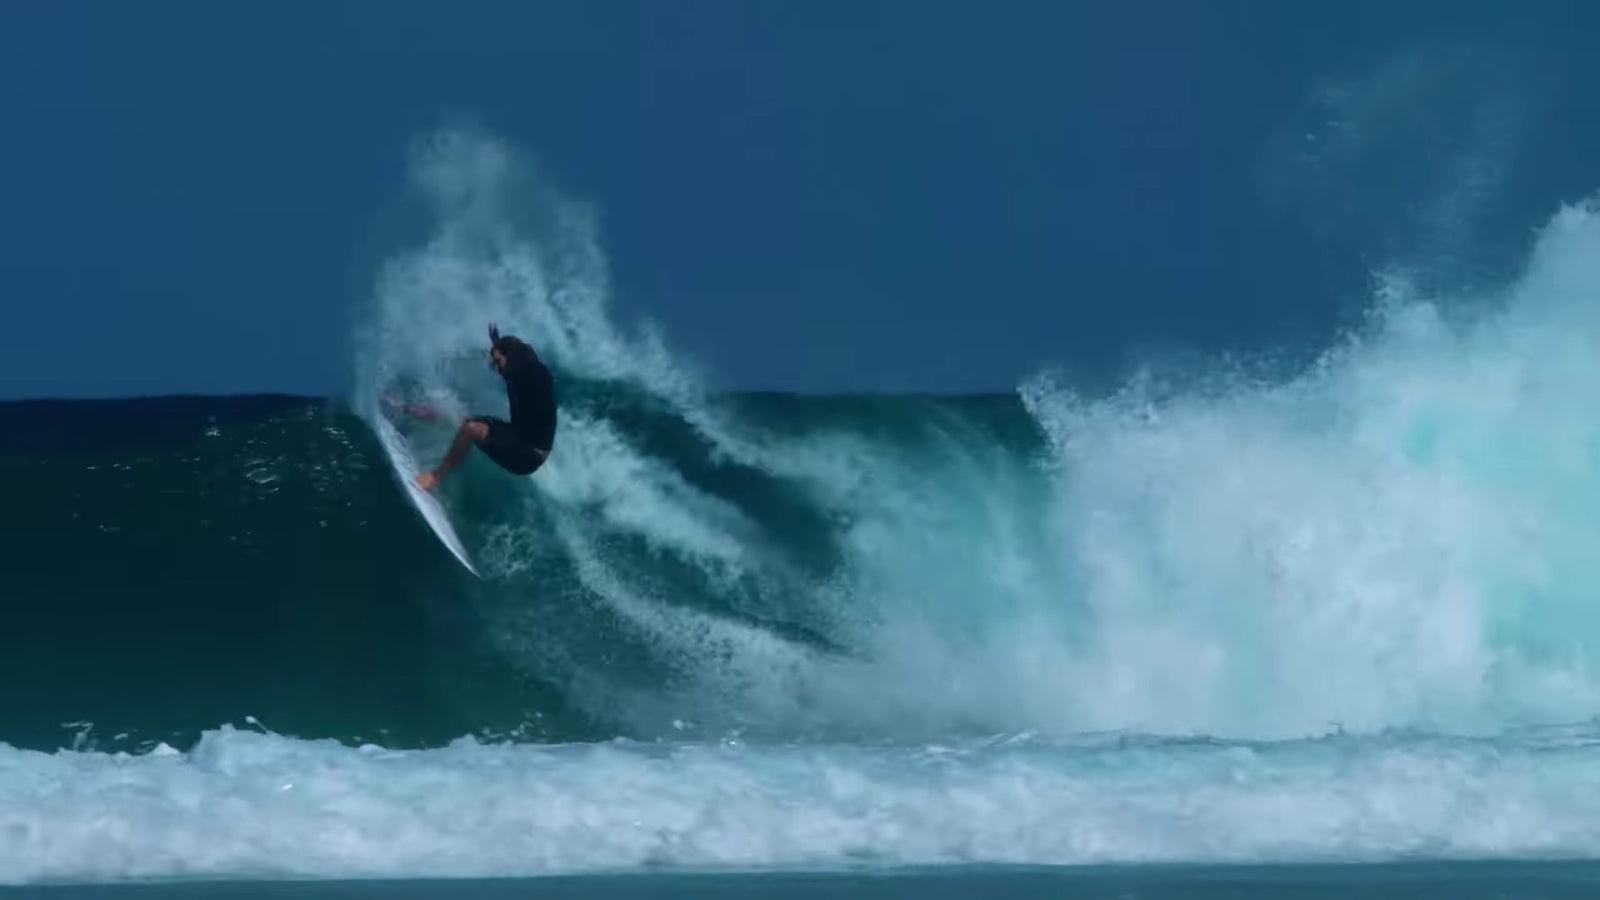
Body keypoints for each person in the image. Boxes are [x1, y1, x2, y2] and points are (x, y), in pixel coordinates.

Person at [414, 323, 557, 491]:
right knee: (464, 421)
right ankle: (410, 410)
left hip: (529, 453)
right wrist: (497, 343)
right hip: (519, 437)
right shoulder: (517, 369)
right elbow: (525, 354)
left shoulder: (532, 374)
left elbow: (532, 364)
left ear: (513, 357)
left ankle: (434, 477)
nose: (496, 368)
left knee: (470, 428)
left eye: (498, 362)